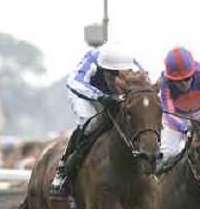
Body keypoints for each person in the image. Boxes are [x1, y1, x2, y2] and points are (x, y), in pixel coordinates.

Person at [49, 44, 148, 198]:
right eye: (117, 76)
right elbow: (74, 83)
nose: (122, 79)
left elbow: (148, 91)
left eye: (125, 74)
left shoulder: (135, 68)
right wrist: (101, 97)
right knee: (91, 123)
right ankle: (63, 170)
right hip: (85, 93)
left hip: (110, 95)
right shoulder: (92, 62)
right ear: (106, 72)